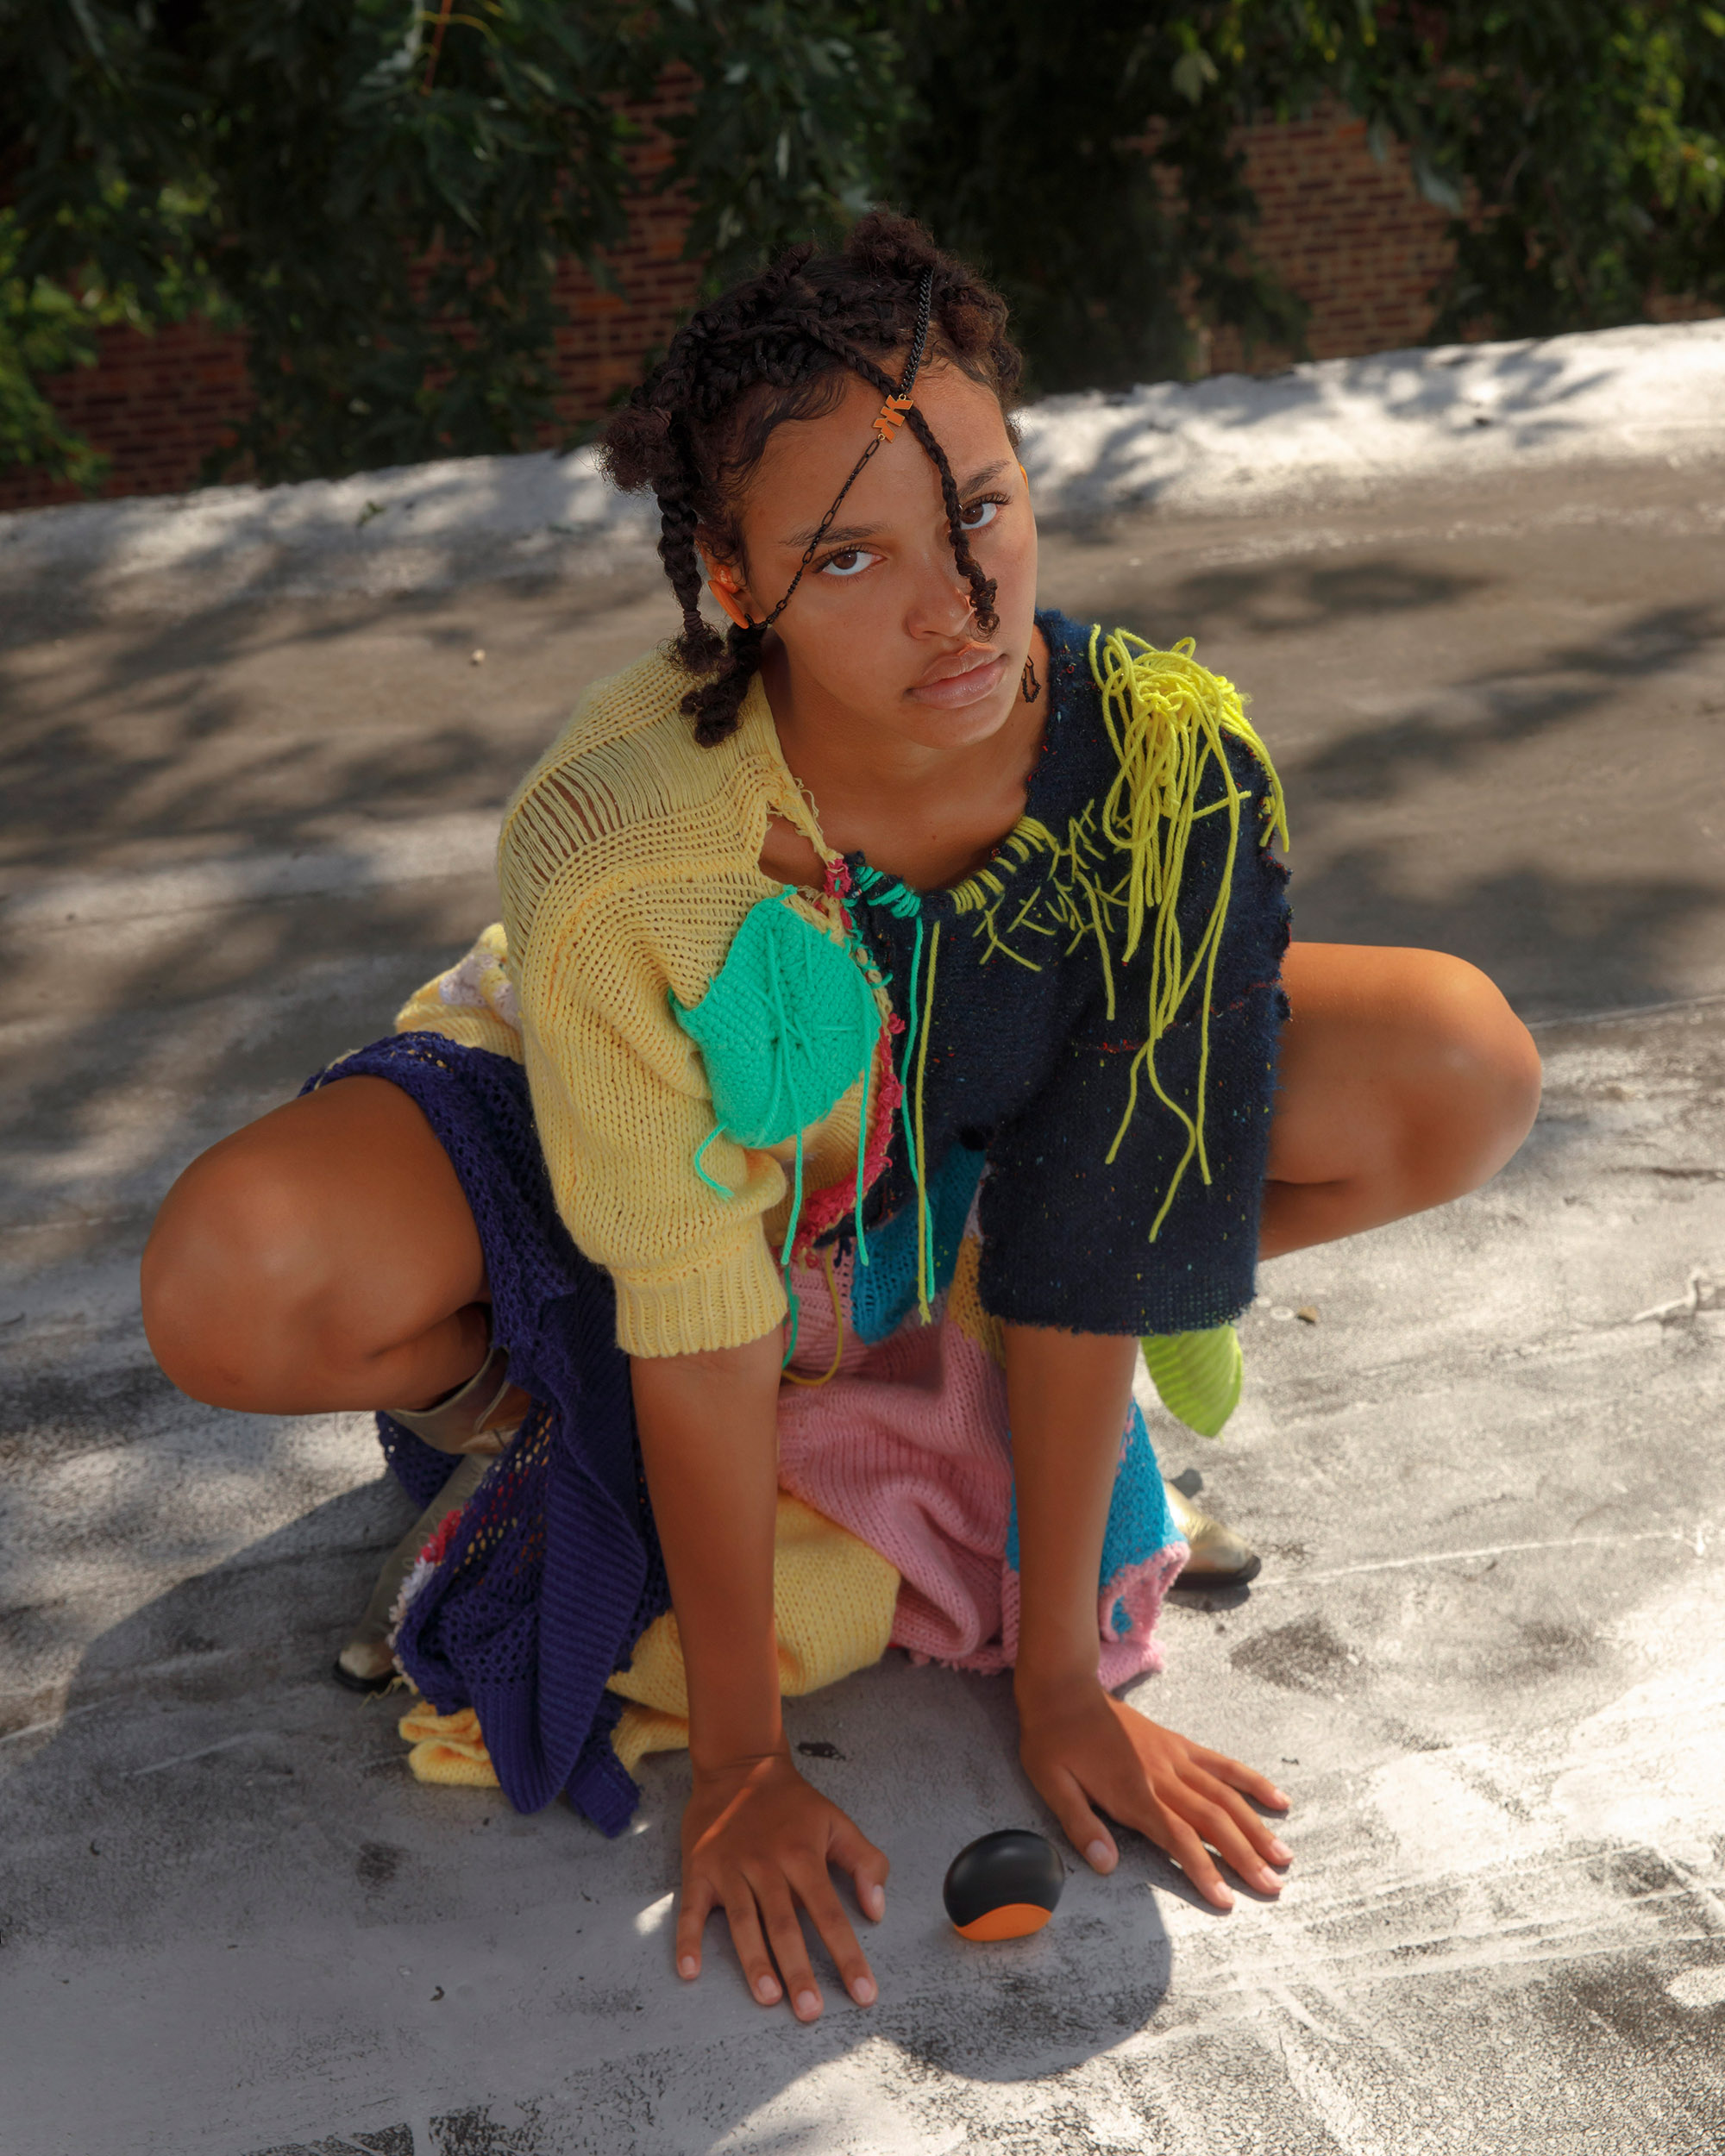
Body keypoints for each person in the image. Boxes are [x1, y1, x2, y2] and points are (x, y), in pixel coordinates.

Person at [140, 216, 1540, 2024]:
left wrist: (1060, 1678)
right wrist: (738, 1755)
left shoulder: (1165, 768)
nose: (957, 604)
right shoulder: (622, 837)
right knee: (235, 1277)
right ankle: (547, 1419)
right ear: (735, 582)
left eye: (984, 511)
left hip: (939, 1187)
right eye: (851, 555)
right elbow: (697, 1303)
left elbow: (1100, 1219)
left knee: (1458, 1063)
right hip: (619, 1143)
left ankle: (908, 1335)